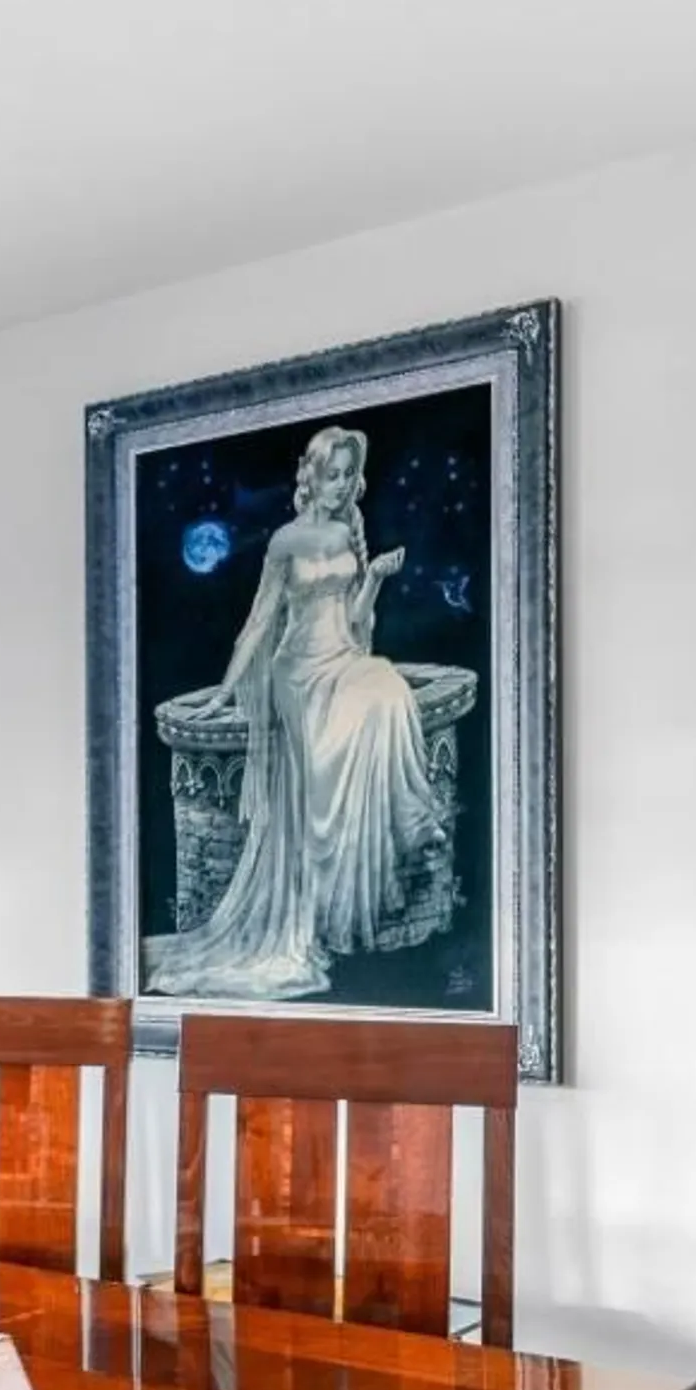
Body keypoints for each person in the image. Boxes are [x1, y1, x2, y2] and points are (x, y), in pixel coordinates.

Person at [145, 424, 448, 999]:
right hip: (296, 670)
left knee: (385, 687)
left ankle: (413, 819)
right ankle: (315, 890)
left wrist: (376, 579)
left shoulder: (347, 529)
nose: (338, 486)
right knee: (331, 745)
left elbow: (357, 622)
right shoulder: (285, 541)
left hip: (342, 656)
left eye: (346, 476)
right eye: (330, 474)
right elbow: (259, 623)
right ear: (310, 473)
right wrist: (222, 692)